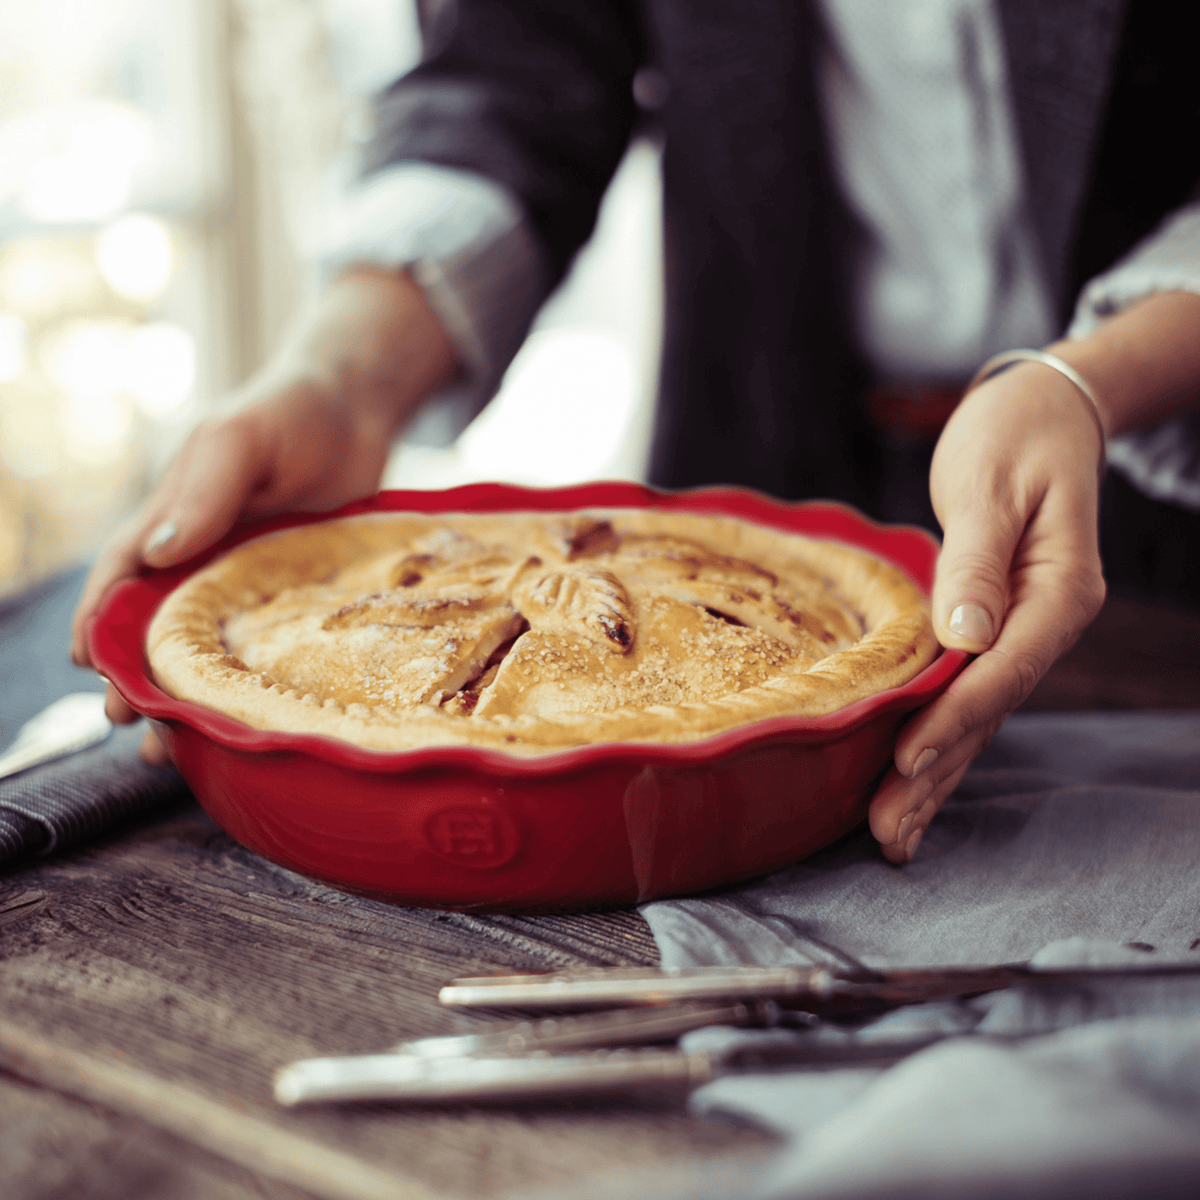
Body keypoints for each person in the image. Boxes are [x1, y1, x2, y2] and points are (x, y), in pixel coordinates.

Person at [72, 0, 1200, 865]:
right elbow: (519, 61)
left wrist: (1090, 381)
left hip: (1147, 485)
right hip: (766, 439)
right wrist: (340, 379)